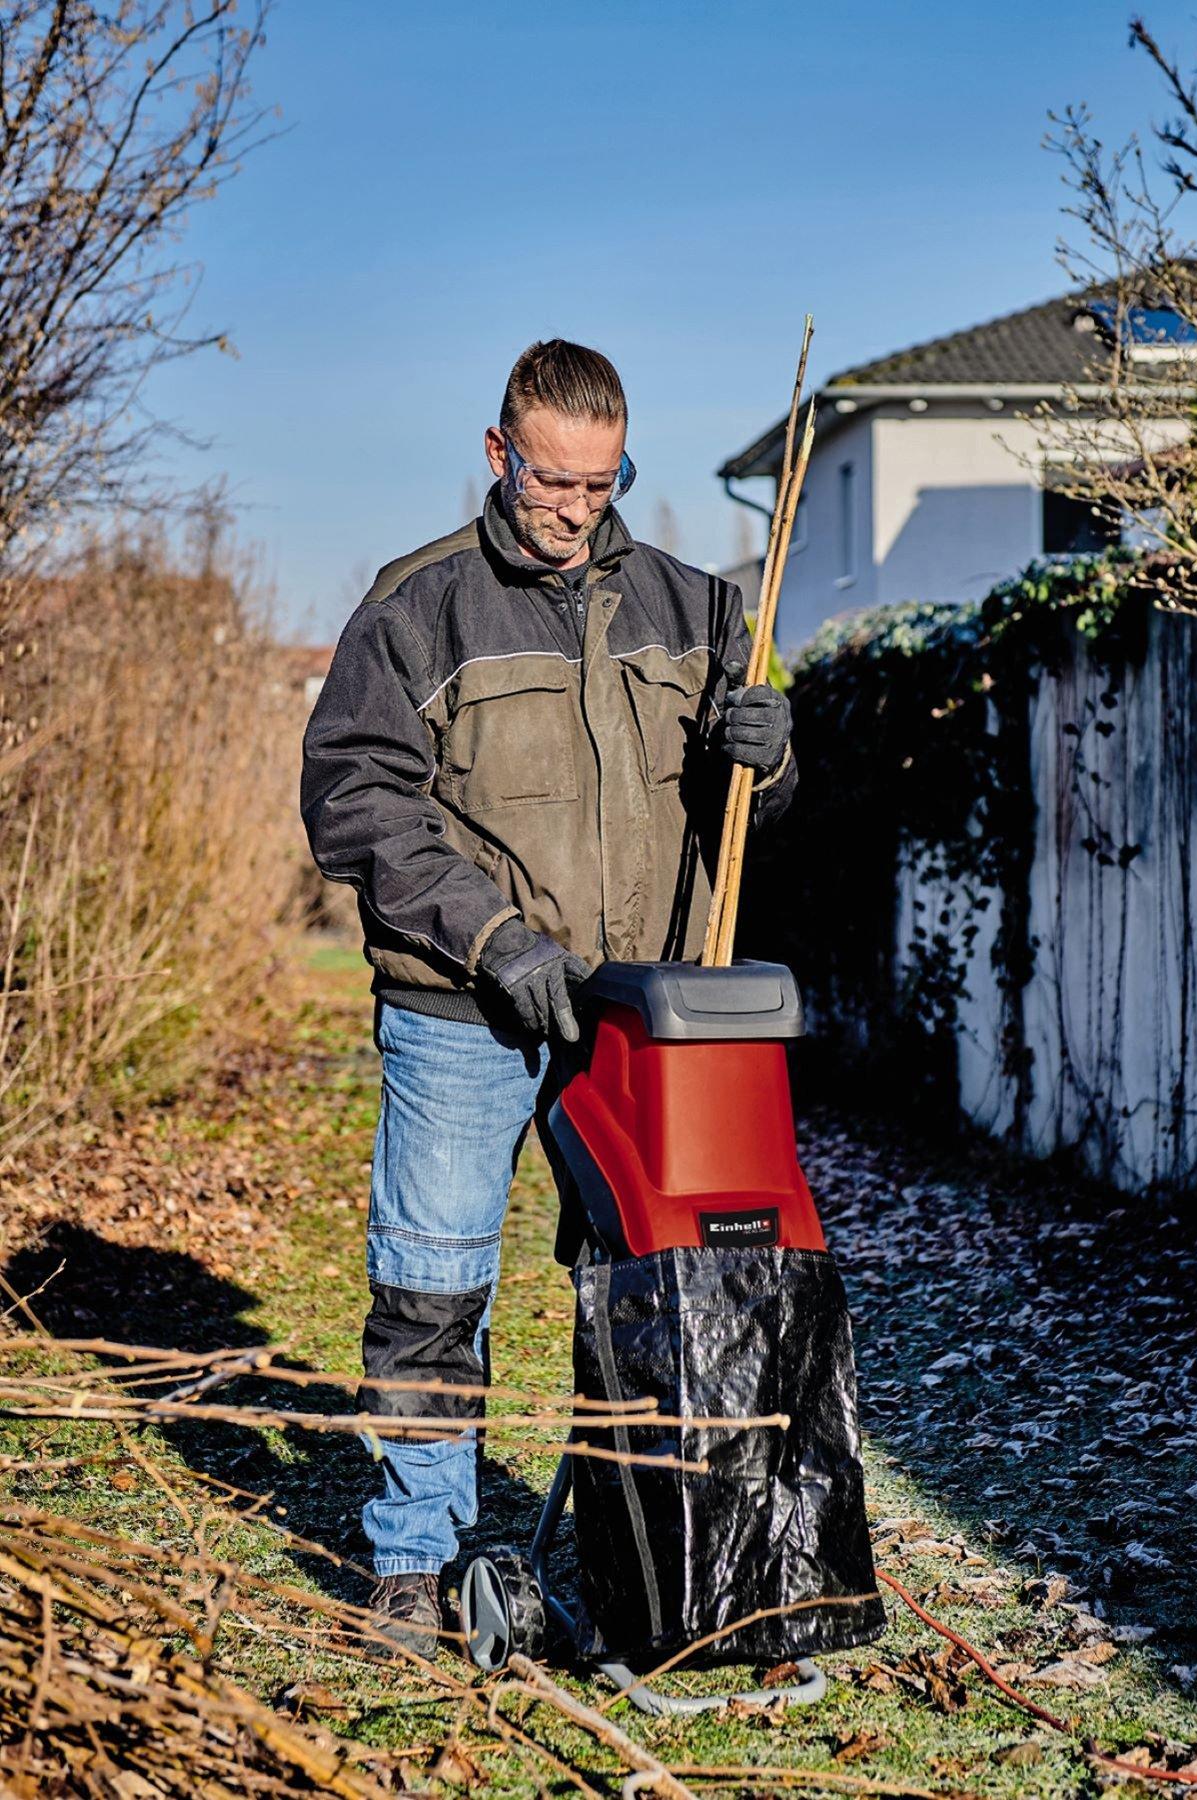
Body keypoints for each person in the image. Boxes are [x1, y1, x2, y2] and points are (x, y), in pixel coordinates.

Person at [300, 338, 795, 1656]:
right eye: (548, 479)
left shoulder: (699, 605)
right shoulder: (418, 607)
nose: (574, 506)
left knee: (638, 1292)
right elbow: (352, 802)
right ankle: (414, 1562)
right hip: (466, 1008)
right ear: (497, 454)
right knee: (430, 1286)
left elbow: (746, 812)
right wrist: (494, 937)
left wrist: (776, 754)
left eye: (600, 479)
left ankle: (634, 1554)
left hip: (642, 1018)